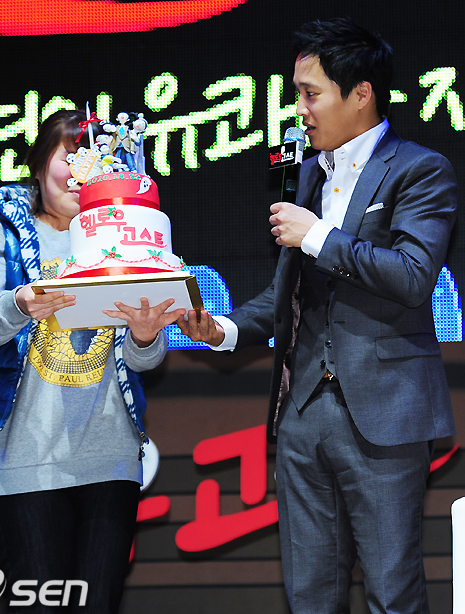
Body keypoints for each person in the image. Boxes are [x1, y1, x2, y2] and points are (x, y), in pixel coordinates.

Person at [178, 17, 458, 614]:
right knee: (310, 595)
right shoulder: (307, 175)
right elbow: (289, 295)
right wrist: (224, 329)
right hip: (302, 413)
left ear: (361, 94)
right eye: (297, 94)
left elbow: (413, 277)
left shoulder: (419, 169)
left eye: (311, 94)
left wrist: (319, 236)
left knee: (393, 592)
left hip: (384, 415)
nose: (299, 110)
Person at [0, 109, 185, 612]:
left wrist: (146, 335)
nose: (82, 171)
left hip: (109, 462)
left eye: (97, 160)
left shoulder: (125, 238)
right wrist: (19, 304)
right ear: (40, 163)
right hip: (24, 464)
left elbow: (143, 361)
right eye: (70, 157)